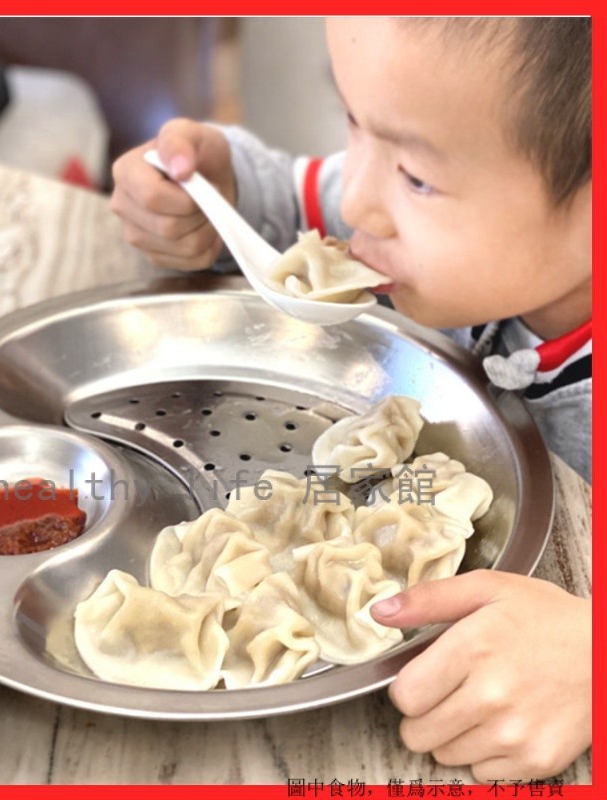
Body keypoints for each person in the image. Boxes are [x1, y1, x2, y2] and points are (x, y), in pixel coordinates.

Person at [109, 17, 592, 782]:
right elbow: (294, 198)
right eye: (353, 124)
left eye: (417, 177)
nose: (358, 200)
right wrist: (218, 191)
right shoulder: (403, 219)